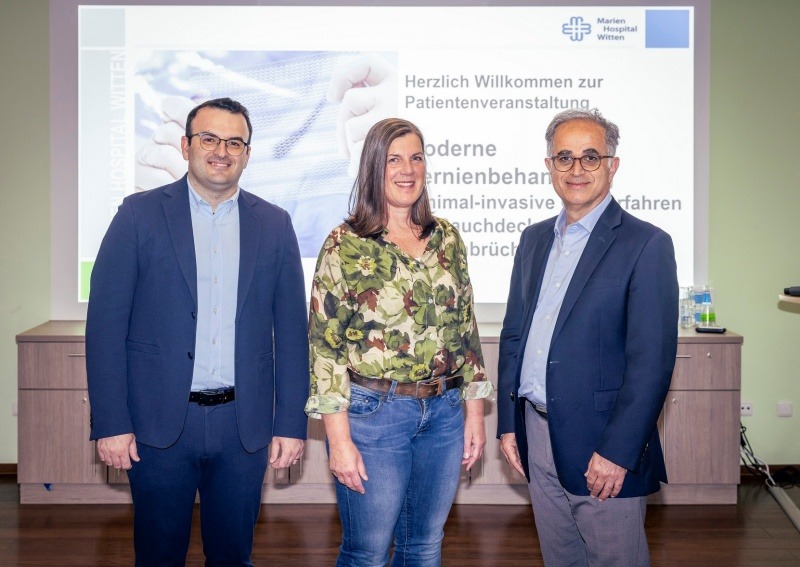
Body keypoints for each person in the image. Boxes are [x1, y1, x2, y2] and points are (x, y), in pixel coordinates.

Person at [86, 97, 309, 566]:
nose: (221, 151)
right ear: (186, 146)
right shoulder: (138, 215)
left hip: (242, 427)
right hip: (158, 424)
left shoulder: (274, 224)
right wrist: (112, 422)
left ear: (247, 154)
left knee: (232, 556)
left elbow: (292, 335)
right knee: (158, 556)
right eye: (209, 139)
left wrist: (290, 424)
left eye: (234, 142)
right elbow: (105, 328)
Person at [305, 117, 494, 566]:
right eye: (394, 159)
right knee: (367, 552)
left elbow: (465, 329)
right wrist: (339, 442)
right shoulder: (344, 244)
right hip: (374, 417)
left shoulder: (446, 237)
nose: (407, 170)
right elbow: (325, 348)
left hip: (444, 414)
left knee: (424, 546)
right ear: (374, 167)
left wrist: (474, 414)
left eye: (416, 157)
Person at [496, 108, 678, 566]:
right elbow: (514, 336)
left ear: (612, 165)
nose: (576, 169)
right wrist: (508, 424)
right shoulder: (533, 240)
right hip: (536, 433)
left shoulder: (646, 244)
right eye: (564, 157)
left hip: (603, 445)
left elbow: (651, 363)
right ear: (549, 166)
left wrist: (618, 452)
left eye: (590, 157)